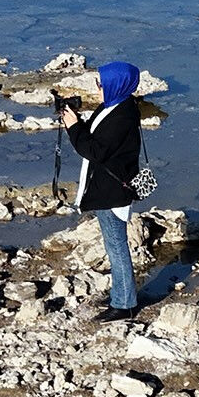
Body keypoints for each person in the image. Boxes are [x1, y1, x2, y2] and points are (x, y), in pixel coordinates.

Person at [57, 59, 148, 321]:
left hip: (112, 193)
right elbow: (98, 140)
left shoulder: (121, 117)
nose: (97, 88)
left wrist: (74, 127)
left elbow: (93, 150)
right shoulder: (117, 105)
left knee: (116, 246)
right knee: (113, 244)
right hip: (108, 188)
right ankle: (121, 295)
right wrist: (77, 121)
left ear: (116, 85)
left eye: (101, 83)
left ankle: (125, 303)